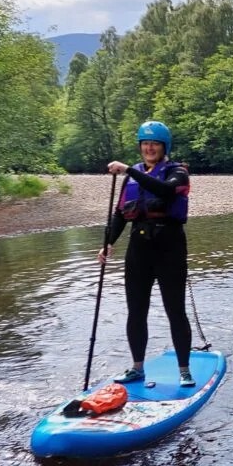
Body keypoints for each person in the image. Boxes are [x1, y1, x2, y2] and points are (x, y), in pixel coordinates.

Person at [97, 120, 196, 387]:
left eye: (155, 144)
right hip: (139, 249)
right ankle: (137, 368)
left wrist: (128, 169)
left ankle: (184, 370)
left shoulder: (178, 172)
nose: (149, 148)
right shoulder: (132, 176)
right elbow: (121, 214)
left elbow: (165, 191)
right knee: (136, 311)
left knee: (175, 310)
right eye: (145, 144)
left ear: (164, 147)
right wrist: (108, 242)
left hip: (170, 248)